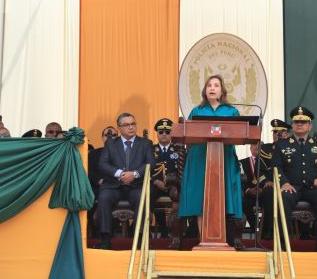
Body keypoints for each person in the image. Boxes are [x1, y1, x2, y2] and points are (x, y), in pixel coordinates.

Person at [178, 75, 244, 250]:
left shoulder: (231, 112)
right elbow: (186, 133)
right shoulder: (197, 111)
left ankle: (221, 239)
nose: (212, 88)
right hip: (199, 158)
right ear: (204, 90)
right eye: (209, 85)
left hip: (224, 158)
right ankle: (204, 239)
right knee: (201, 197)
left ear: (222, 90)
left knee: (222, 196)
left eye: (216, 85)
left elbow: (241, 134)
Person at [270, 106, 317, 251]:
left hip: (313, 188)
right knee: (284, 197)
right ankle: (282, 242)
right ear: (292, 125)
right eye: (296, 122)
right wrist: (284, 182)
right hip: (292, 187)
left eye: (304, 122)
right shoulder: (281, 145)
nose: (300, 124)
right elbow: (275, 167)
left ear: (310, 126)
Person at [94, 112, 155, 249]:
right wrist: (120, 174)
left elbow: (151, 163)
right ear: (119, 127)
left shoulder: (145, 143)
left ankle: (139, 238)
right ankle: (105, 239)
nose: (131, 127)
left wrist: (134, 174)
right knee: (104, 196)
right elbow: (103, 164)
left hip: (136, 185)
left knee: (142, 196)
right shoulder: (111, 144)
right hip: (115, 185)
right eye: (126, 125)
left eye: (133, 124)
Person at [150, 118, 186, 248]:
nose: (164, 134)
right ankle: (153, 231)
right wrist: (155, 181)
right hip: (155, 184)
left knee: (177, 195)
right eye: (161, 132)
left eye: (167, 131)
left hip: (173, 185)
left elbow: (182, 170)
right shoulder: (150, 149)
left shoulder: (179, 149)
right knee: (148, 196)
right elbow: (146, 168)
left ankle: (176, 232)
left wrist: (173, 182)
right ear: (157, 134)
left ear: (171, 134)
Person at [239, 141, 268, 235]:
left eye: (260, 145)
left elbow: (271, 178)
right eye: (254, 144)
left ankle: (265, 231)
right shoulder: (241, 162)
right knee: (243, 203)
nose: (257, 147)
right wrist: (248, 190)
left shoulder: (268, 162)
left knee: (270, 203)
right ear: (250, 148)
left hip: (264, 192)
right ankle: (255, 228)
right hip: (249, 193)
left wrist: (263, 189)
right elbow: (240, 181)